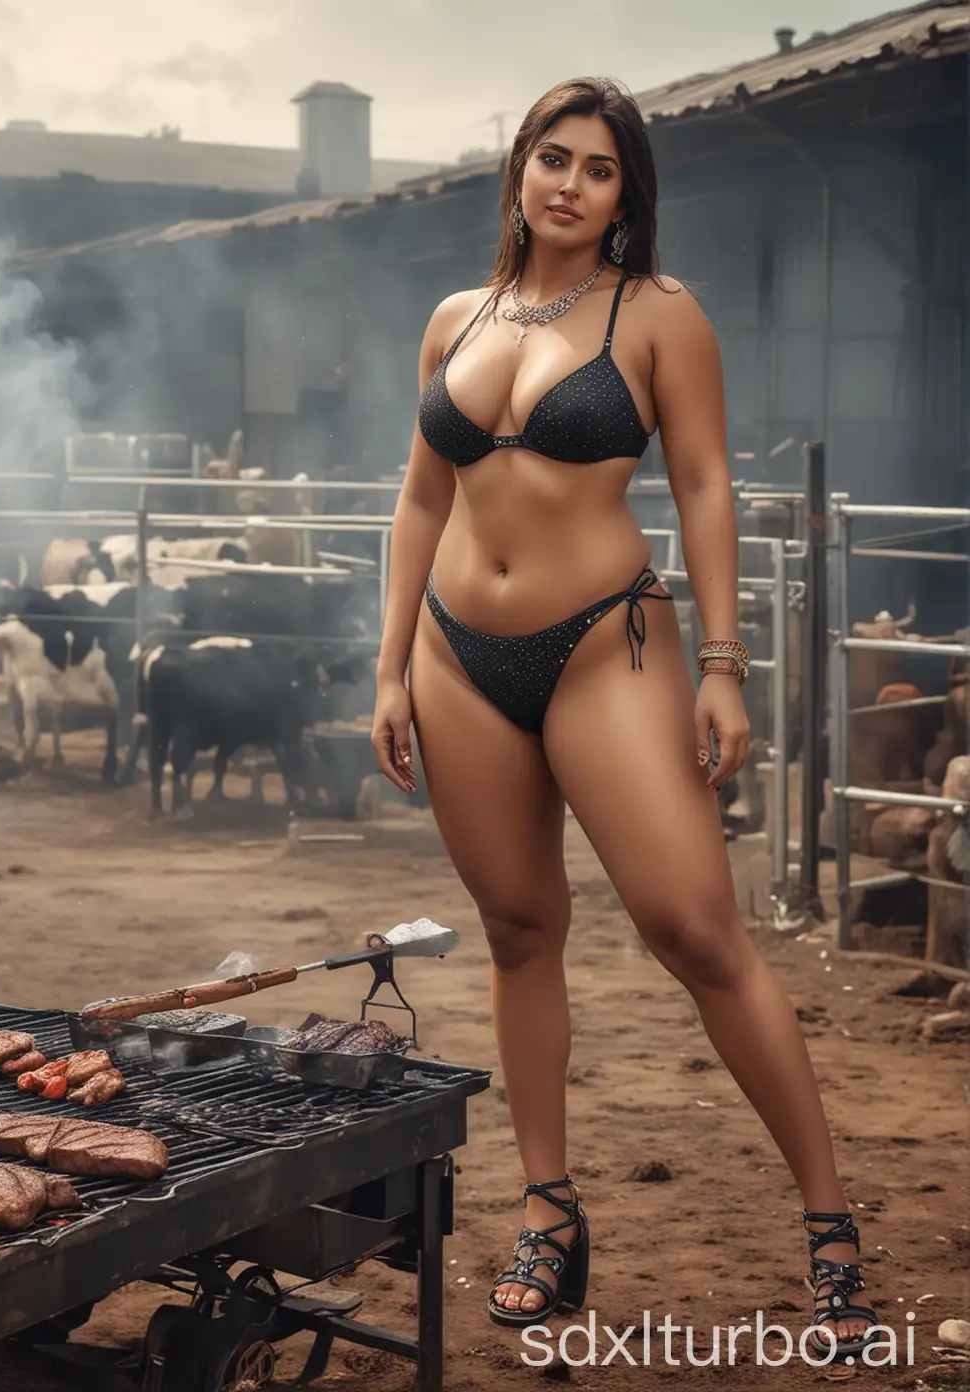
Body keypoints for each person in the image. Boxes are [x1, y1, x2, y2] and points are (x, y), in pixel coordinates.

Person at [368, 76, 879, 1356]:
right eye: (554, 158)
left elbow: (705, 485)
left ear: (625, 197)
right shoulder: (453, 318)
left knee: (696, 929)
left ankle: (830, 1232)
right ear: (520, 169)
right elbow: (421, 503)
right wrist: (387, 669)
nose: (570, 185)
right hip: (454, 652)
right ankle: (549, 1214)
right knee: (518, 927)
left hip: (607, 643)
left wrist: (723, 662)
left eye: (599, 170)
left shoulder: (659, 316)